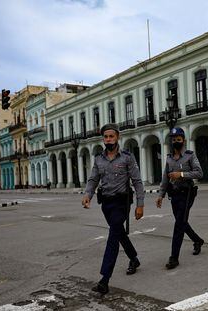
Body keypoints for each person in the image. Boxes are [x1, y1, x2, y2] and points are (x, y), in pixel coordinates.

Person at [81, 123, 145, 295]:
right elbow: (93, 180)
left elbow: (137, 182)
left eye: (111, 136)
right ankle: (134, 258)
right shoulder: (99, 159)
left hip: (122, 203)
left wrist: (140, 205)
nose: (108, 139)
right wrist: (88, 195)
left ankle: (104, 280)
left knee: (113, 237)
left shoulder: (127, 157)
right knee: (119, 233)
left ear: (118, 137)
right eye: (106, 137)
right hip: (107, 205)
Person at [156, 127, 204, 269]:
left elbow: (199, 173)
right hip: (174, 195)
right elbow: (165, 178)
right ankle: (197, 240)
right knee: (181, 221)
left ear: (183, 140)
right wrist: (160, 195)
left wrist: (181, 175)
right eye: (173, 139)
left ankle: (174, 258)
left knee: (178, 225)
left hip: (187, 193)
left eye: (178, 139)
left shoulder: (190, 155)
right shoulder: (169, 158)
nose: (175, 141)